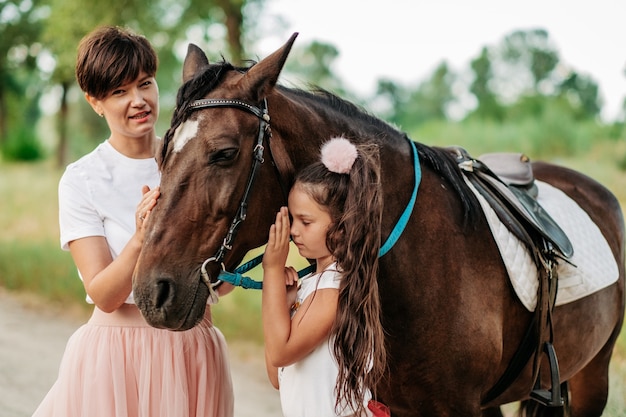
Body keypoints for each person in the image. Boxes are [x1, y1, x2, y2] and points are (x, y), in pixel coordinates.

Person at [32, 26, 234, 417]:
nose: (138, 100)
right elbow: (104, 294)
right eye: (119, 92)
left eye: (145, 84)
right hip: (116, 357)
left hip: (194, 349)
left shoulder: (195, 160)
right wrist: (142, 237)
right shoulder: (83, 178)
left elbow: (214, 286)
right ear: (95, 102)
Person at [262, 137, 390, 417]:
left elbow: (280, 352)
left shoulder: (333, 288)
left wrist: (271, 271)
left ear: (343, 228)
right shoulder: (313, 287)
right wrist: (281, 305)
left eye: (305, 222)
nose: (294, 231)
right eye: (292, 220)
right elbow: (277, 375)